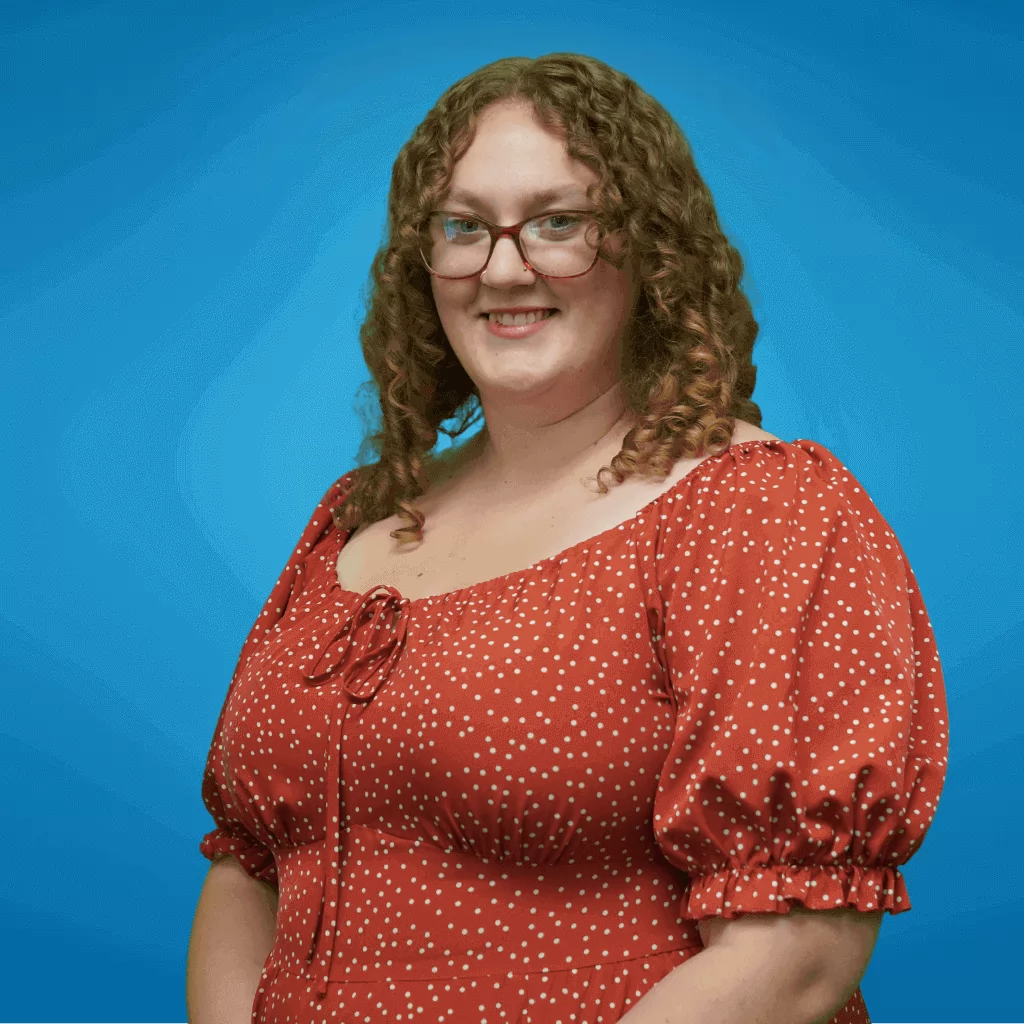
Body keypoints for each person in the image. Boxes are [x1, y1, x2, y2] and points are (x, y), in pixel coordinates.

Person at [185, 53, 948, 1024]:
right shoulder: (358, 515)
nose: (503, 267)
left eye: (558, 223)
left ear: (649, 248)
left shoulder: (755, 510)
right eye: (463, 227)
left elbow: (797, 950)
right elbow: (250, 865)